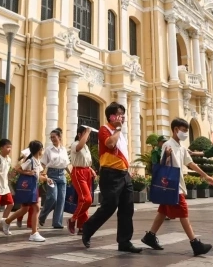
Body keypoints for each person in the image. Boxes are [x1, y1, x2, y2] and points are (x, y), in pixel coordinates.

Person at [141, 118, 213, 256]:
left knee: (163, 211)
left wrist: (205, 176)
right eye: (184, 130)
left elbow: (191, 163)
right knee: (183, 212)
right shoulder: (167, 145)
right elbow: (163, 164)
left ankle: (150, 236)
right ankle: (195, 243)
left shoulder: (181, 147)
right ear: (175, 130)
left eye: (187, 131)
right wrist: (167, 156)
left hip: (175, 184)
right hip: (173, 186)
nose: (186, 133)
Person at [82, 102, 141, 253]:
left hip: (124, 174)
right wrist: (118, 129)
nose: (122, 117)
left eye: (123, 114)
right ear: (111, 116)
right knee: (109, 206)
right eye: (119, 114)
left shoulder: (120, 133)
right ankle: (88, 228)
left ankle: (124, 242)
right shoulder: (105, 129)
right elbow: (110, 144)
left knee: (127, 208)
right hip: (110, 174)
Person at [0, 140, 52, 242]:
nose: (43, 151)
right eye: (42, 149)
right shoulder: (30, 160)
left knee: (25, 209)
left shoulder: (37, 161)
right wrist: (28, 173)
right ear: (39, 150)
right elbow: (18, 169)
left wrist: (46, 179)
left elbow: (38, 175)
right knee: (36, 208)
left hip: (33, 187)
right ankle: (34, 233)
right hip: (29, 188)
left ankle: (7, 221)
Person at [68, 126, 97, 235]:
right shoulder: (75, 144)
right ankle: (72, 219)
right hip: (78, 172)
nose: (88, 137)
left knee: (83, 200)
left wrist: (90, 169)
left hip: (86, 172)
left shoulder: (86, 147)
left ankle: (82, 226)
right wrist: (88, 131)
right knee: (86, 199)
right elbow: (78, 148)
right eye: (85, 134)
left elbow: (85, 160)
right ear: (79, 135)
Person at [39, 128, 69, 229]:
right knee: (52, 197)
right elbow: (43, 163)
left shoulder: (64, 149)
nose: (52, 139)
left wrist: (72, 175)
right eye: (51, 137)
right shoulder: (48, 150)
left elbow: (66, 164)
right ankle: (42, 216)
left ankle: (57, 222)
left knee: (61, 199)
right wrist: (40, 173)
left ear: (59, 137)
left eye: (54, 137)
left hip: (62, 175)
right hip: (51, 175)